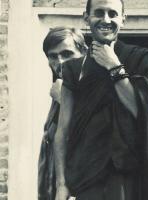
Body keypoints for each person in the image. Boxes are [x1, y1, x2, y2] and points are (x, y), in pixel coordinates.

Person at [54, 0, 148, 200]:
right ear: (86, 17)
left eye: (113, 14)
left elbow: (146, 116)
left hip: (130, 178)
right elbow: (63, 130)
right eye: (99, 13)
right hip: (86, 177)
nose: (106, 19)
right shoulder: (73, 69)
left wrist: (114, 67)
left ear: (123, 19)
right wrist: (61, 184)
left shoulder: (144, 60)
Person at [38, 27, 87, 200]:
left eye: (67, 54)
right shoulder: (59, 86)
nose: (60, 61)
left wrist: (63, 98)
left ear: (83, 53)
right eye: (53, 56)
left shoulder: (94, 89)